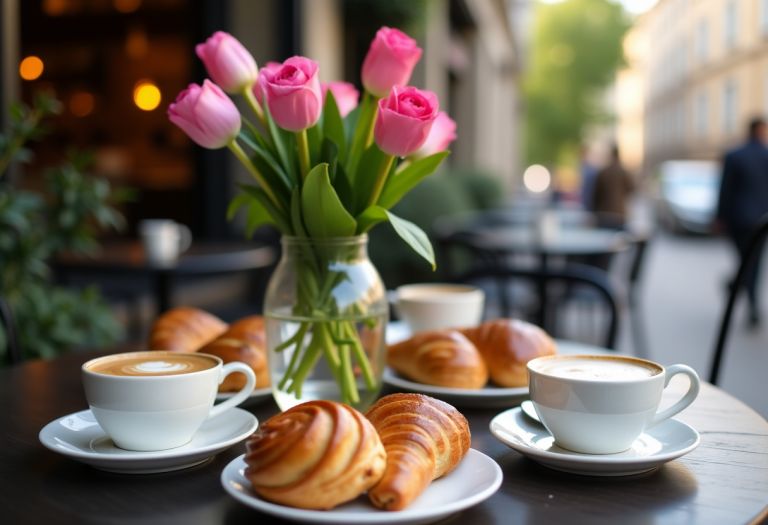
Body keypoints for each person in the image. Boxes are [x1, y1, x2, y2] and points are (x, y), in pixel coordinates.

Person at [716, 118, 768, 326]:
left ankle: (737, 285)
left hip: (737, 218)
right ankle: (751, 302)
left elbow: (724, 189)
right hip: (761, 219)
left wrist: (719, 217)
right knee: (754, 261)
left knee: (745, 260)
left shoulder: (734, 155)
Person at [591, 145, 636, 230]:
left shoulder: (603, 172)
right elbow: (632, 189)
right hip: (618, 213)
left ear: (611, 155)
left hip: (603, 213)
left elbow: (596, 194)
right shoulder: (624, 172)